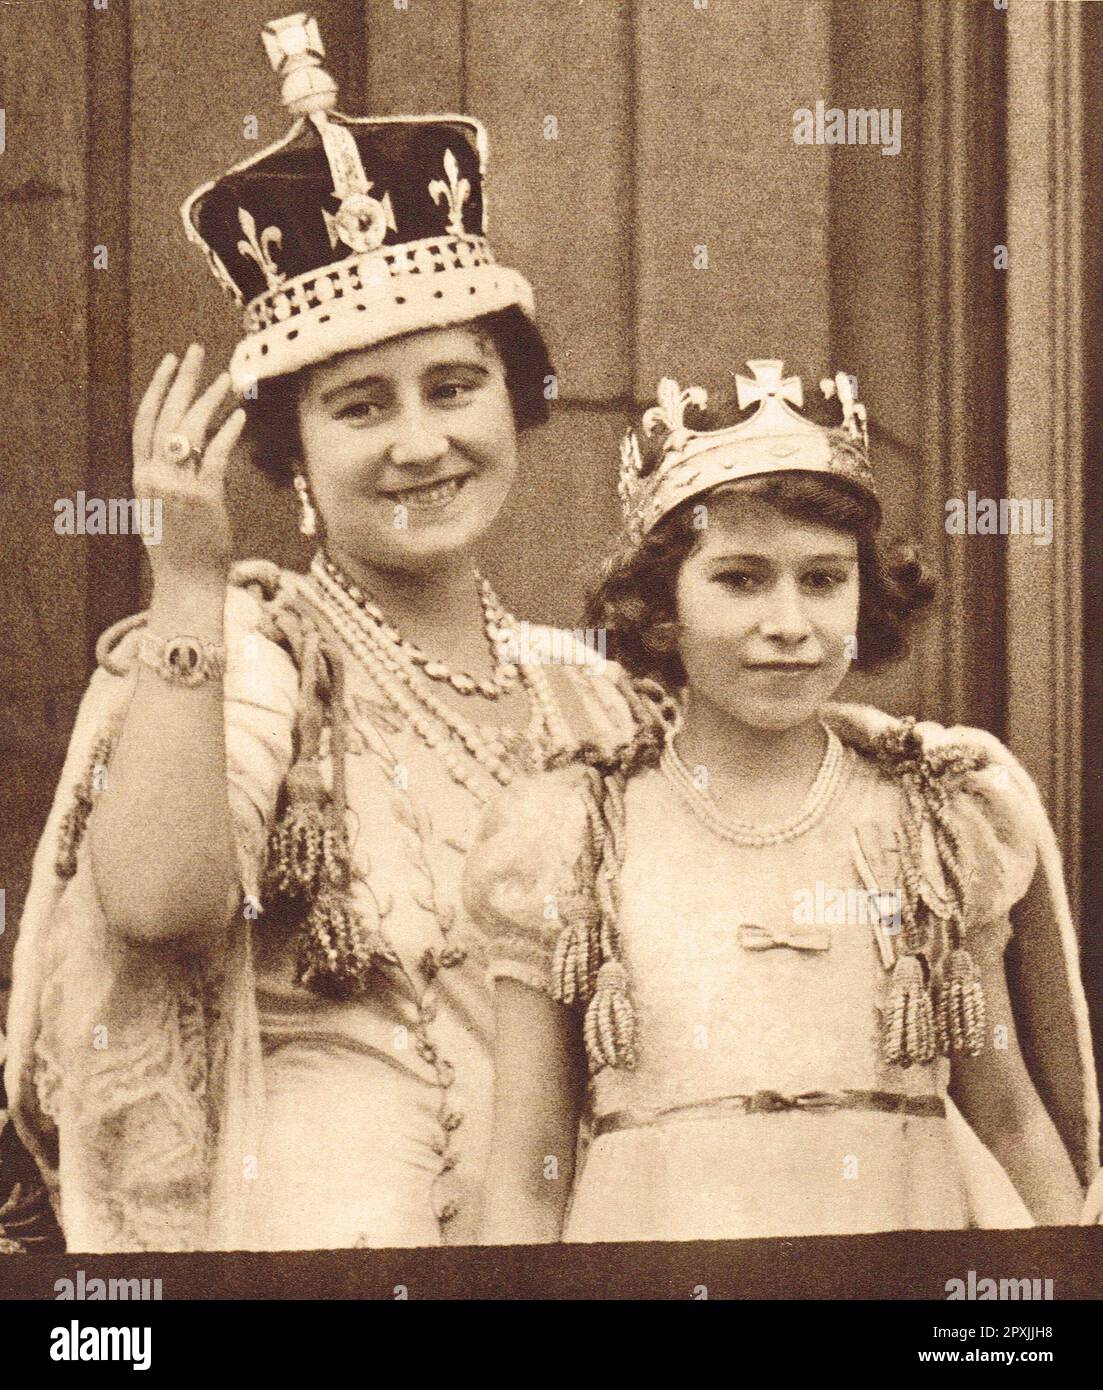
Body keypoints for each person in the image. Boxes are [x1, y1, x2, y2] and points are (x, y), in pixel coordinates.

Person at [3, 15, 633, 1253]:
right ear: (292, 456)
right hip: (324, 1239)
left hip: (569, 1235)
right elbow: (156, 905)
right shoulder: (253, 657)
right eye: (361, 406)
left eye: (454, 387)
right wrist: (186, 588)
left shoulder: (590, 695)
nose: (419, 442)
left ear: (515, 402)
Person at [464, 360, 1102, 1242]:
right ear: (659, 608)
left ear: (862, 591)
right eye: (738, 578)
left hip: (898, 1249)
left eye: (821, 579)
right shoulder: (573, 833)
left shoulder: (931, 817)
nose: (788, 623)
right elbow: (530, 1164)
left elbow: (1007, 1115)